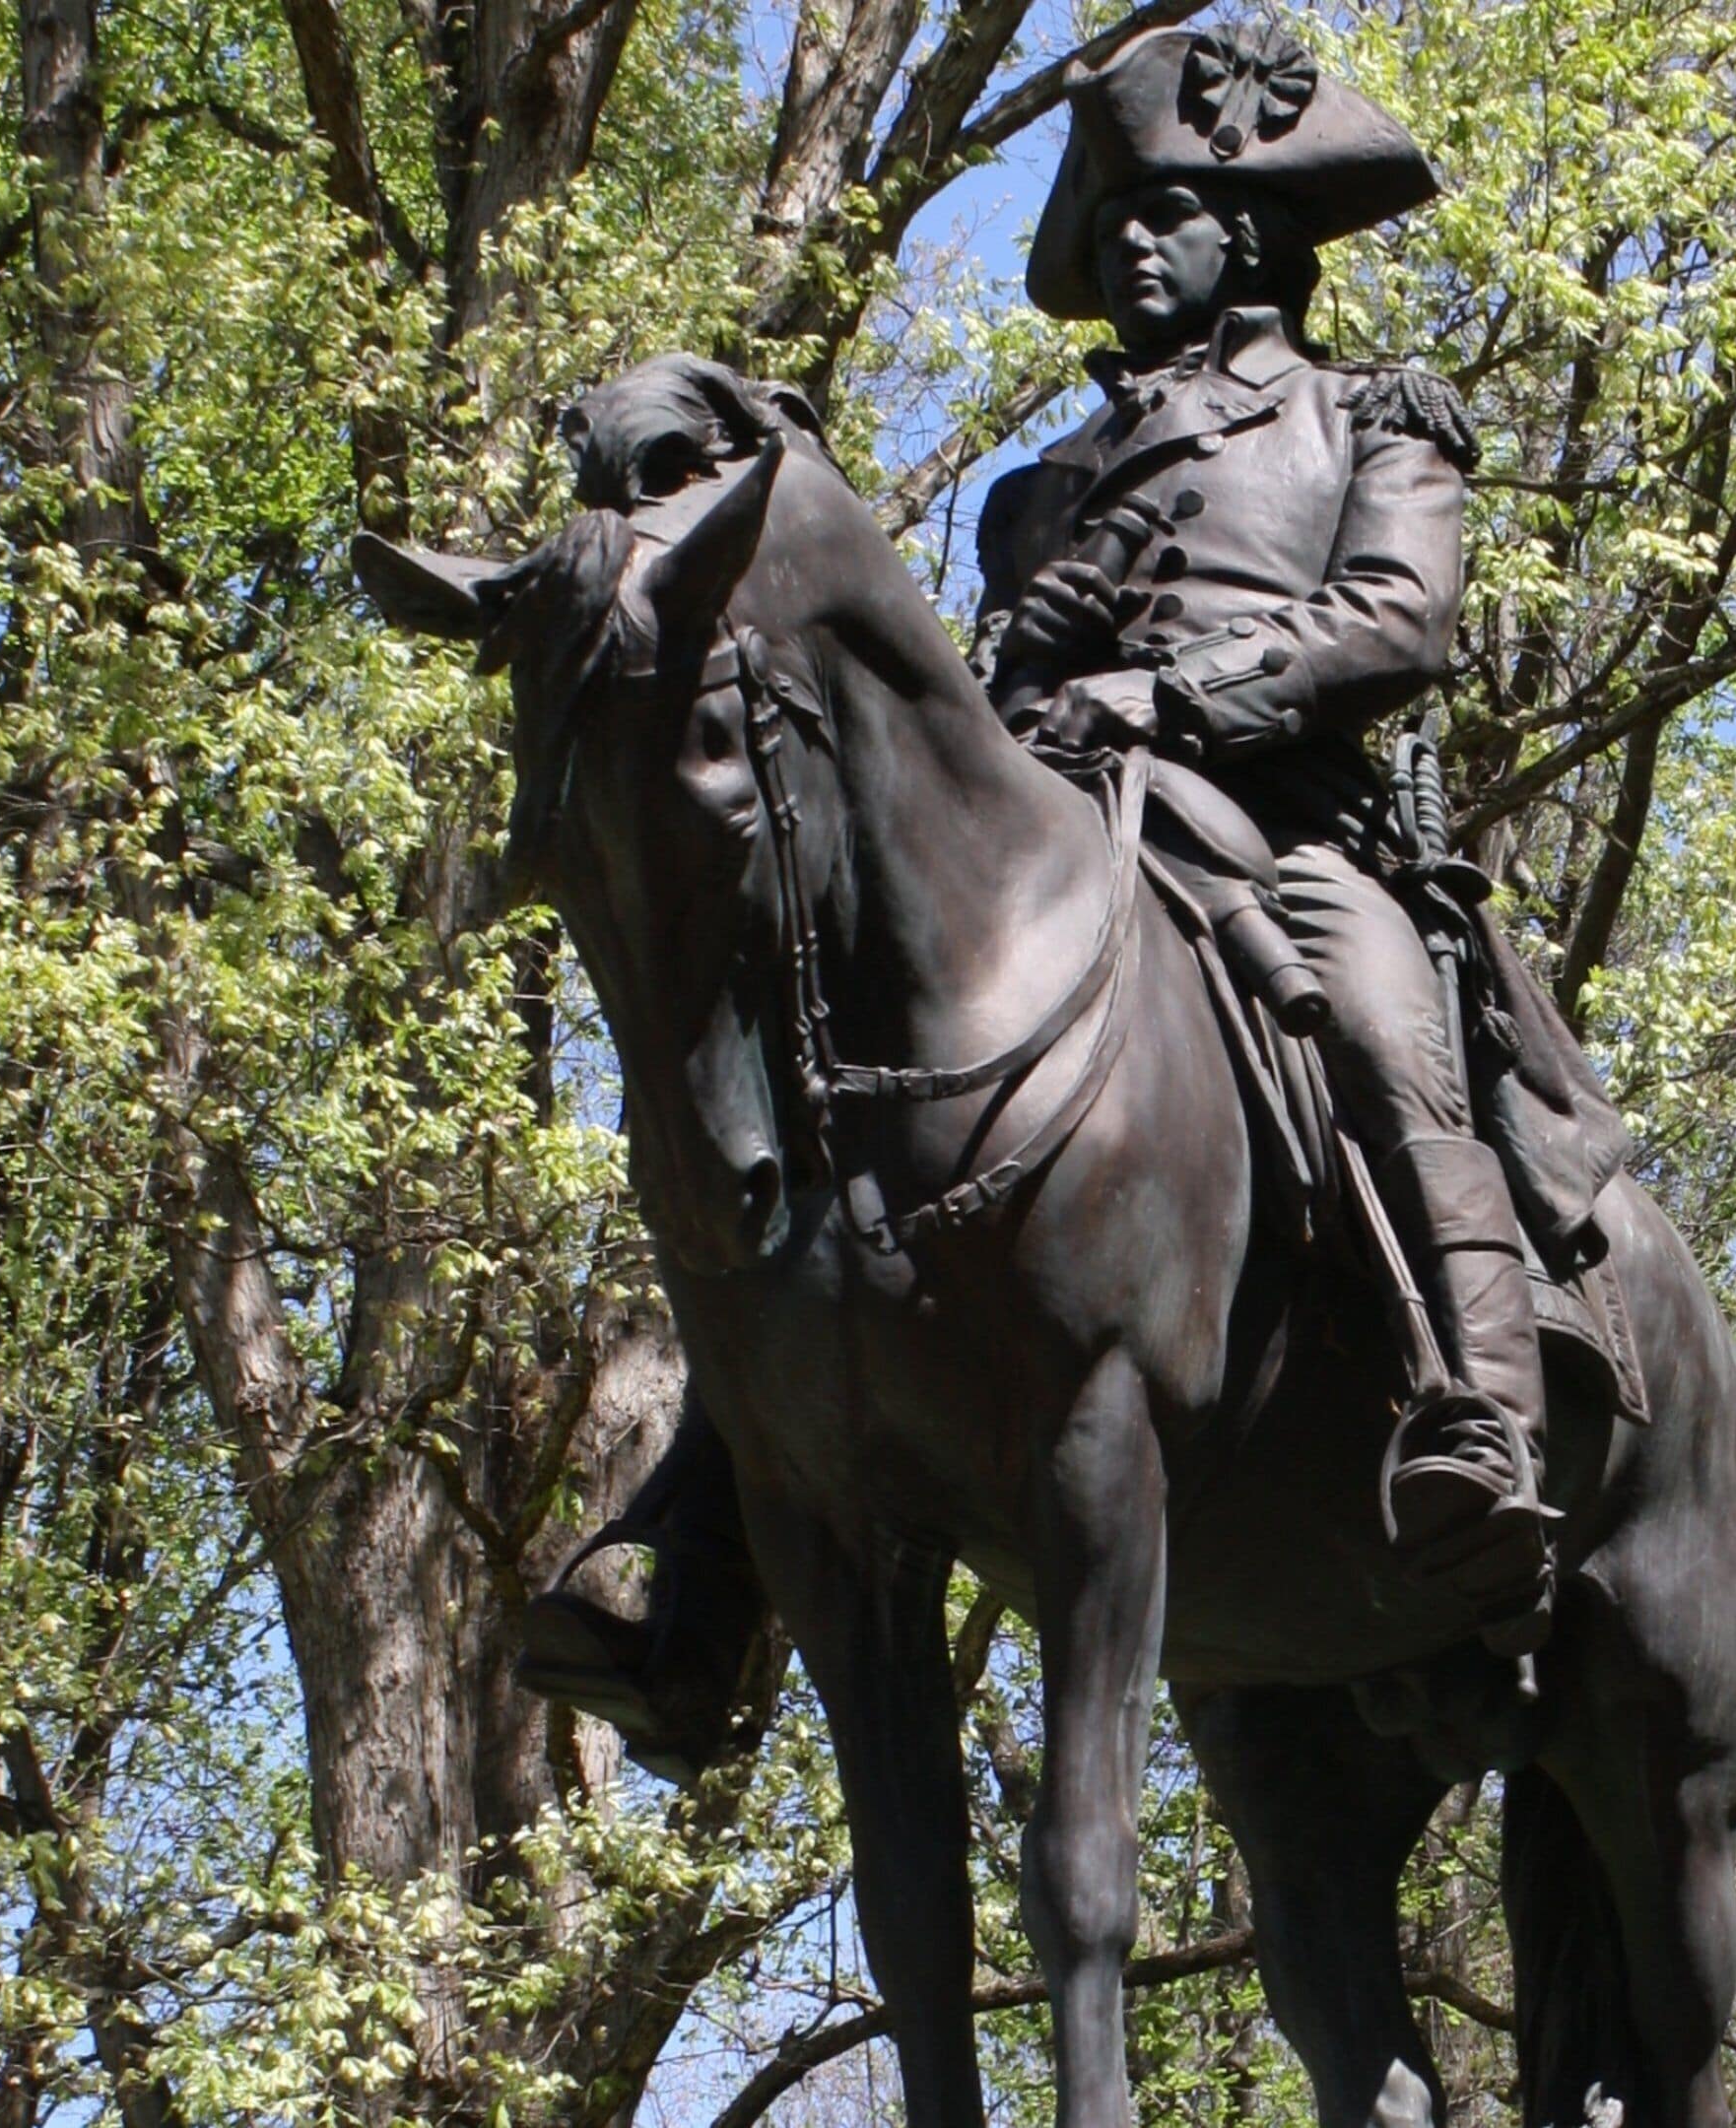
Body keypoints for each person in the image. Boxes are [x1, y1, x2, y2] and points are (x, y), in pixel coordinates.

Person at [521, 27, 1554, 1771]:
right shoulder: (1037, 495)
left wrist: (1166, 691)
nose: (1136, 245)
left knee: (1378, 1020)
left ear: (1258, 235)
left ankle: (1487, 1421)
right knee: (829, 1119)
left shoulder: (1365, 417)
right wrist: (1029, 667)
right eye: (1117, 221)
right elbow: (963, 724)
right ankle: (699, 1548)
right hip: (1065, 856)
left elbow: (1394, 623)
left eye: (1173, 212)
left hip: (1276, 828)